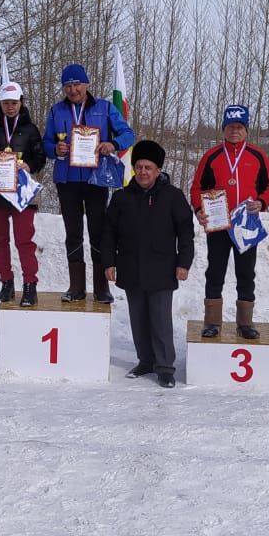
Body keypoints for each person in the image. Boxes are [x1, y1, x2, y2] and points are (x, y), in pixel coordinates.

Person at [103, 139, 195, 388]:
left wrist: (184, 263)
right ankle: (145, 360)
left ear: (158, 170)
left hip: (162, 268)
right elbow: (109, 232)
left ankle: (165, 367)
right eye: (139, 167)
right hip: (131, 266)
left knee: (160, 318)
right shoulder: (122, 197)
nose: (143, 172)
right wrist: (109, 262)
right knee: (138, 317)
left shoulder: (173, 196)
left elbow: (186, 231)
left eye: (148, 168)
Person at [42, 63, 135, 303]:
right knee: (73, 233)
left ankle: (102, 287)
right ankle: (76, 287)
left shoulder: (104, 108)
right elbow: (45, 144)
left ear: (87, 84)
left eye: (77, 84)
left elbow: (128, 134)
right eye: (68, 85)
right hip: (67, 180)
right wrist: (55, 148)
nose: (73, 90)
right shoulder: (56, 111)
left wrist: (112, 144)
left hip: (96, 180)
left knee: (98, 232)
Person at [190, 104, 269, 339]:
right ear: (223, 129)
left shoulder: (257, 155)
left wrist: (262, 202)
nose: (234, 131)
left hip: (246, 223)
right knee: (215, 271)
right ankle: (212, 322)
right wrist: (198, 208)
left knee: (246, 273)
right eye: (230, 127)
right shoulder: (212, 156)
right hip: (219, 224)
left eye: (239, 127)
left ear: (246, 130)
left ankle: (245, 323)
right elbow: (197, 187)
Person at [0, 81, 47, 307]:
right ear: (0, 104)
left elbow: (40, 158)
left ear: (21, 102)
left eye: (14, 102)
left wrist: (28, 166)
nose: (10, 107)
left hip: (22, 193)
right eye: (6, 103)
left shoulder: (31, 129)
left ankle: (29, 284)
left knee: (24, 240)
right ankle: (6, 281)